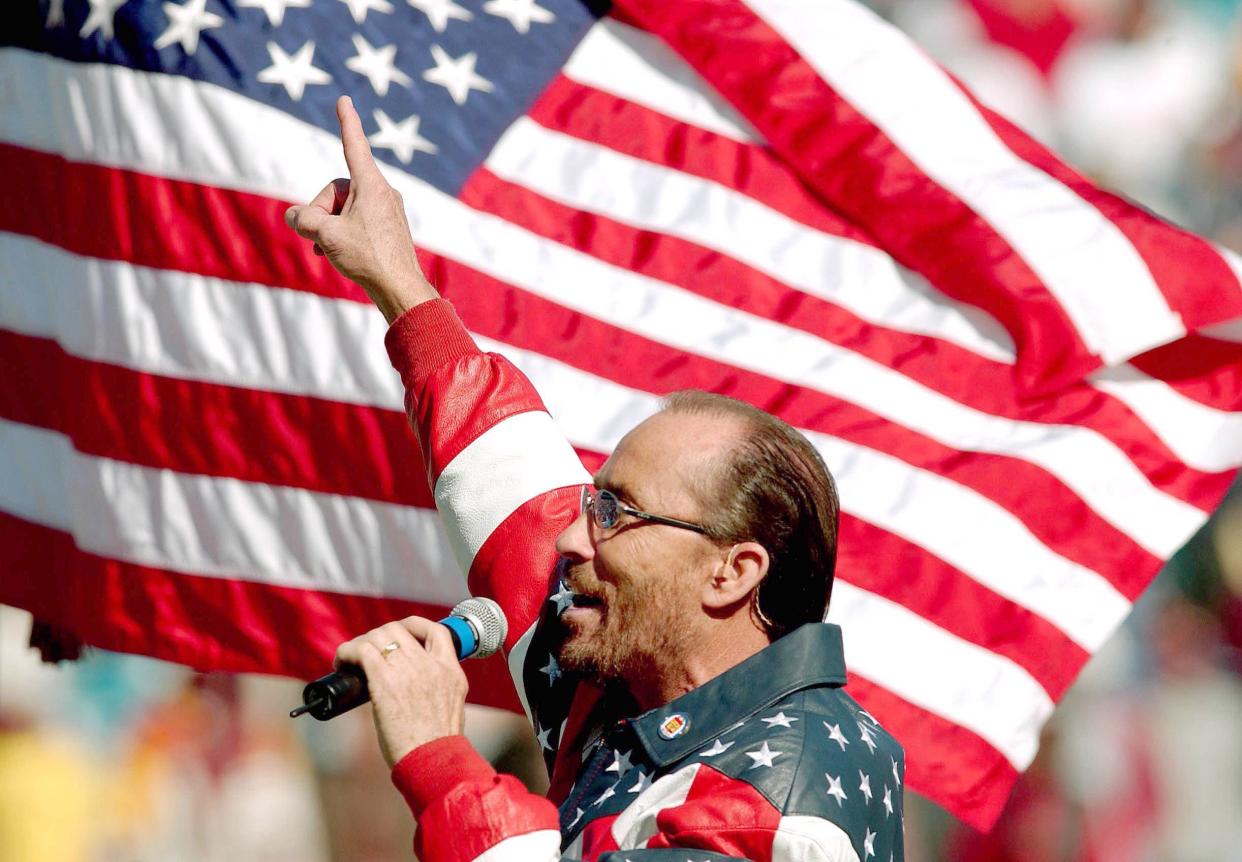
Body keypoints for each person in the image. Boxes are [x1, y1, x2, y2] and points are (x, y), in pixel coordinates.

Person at [285, 95, 905, 862]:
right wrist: (397, 281)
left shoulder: (784, 791)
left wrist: (441, 763)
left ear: (731, 573)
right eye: (592, 501)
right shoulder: (636, 686)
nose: (575, 534)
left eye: (616, 512)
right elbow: (510, 488)